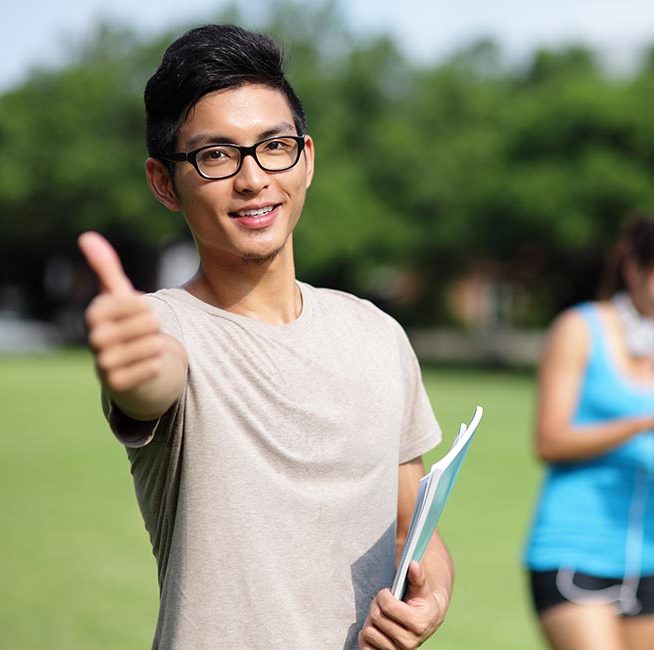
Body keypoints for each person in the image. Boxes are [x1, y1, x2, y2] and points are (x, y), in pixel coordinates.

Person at [78, 25, 452, 650]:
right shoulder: (167, 328)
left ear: (306, 158)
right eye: (215, 155)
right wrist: (133, 366)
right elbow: (153, 379)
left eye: (272, 146)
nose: (252, 179)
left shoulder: (378, 334)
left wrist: (431, 597)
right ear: (164, 182)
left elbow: (412, 529)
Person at [523, 216, 654, 650]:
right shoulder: (580, 328)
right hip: (572, 550)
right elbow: (549, 441)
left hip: (648, 560)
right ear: (634, 269)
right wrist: (649, 421)